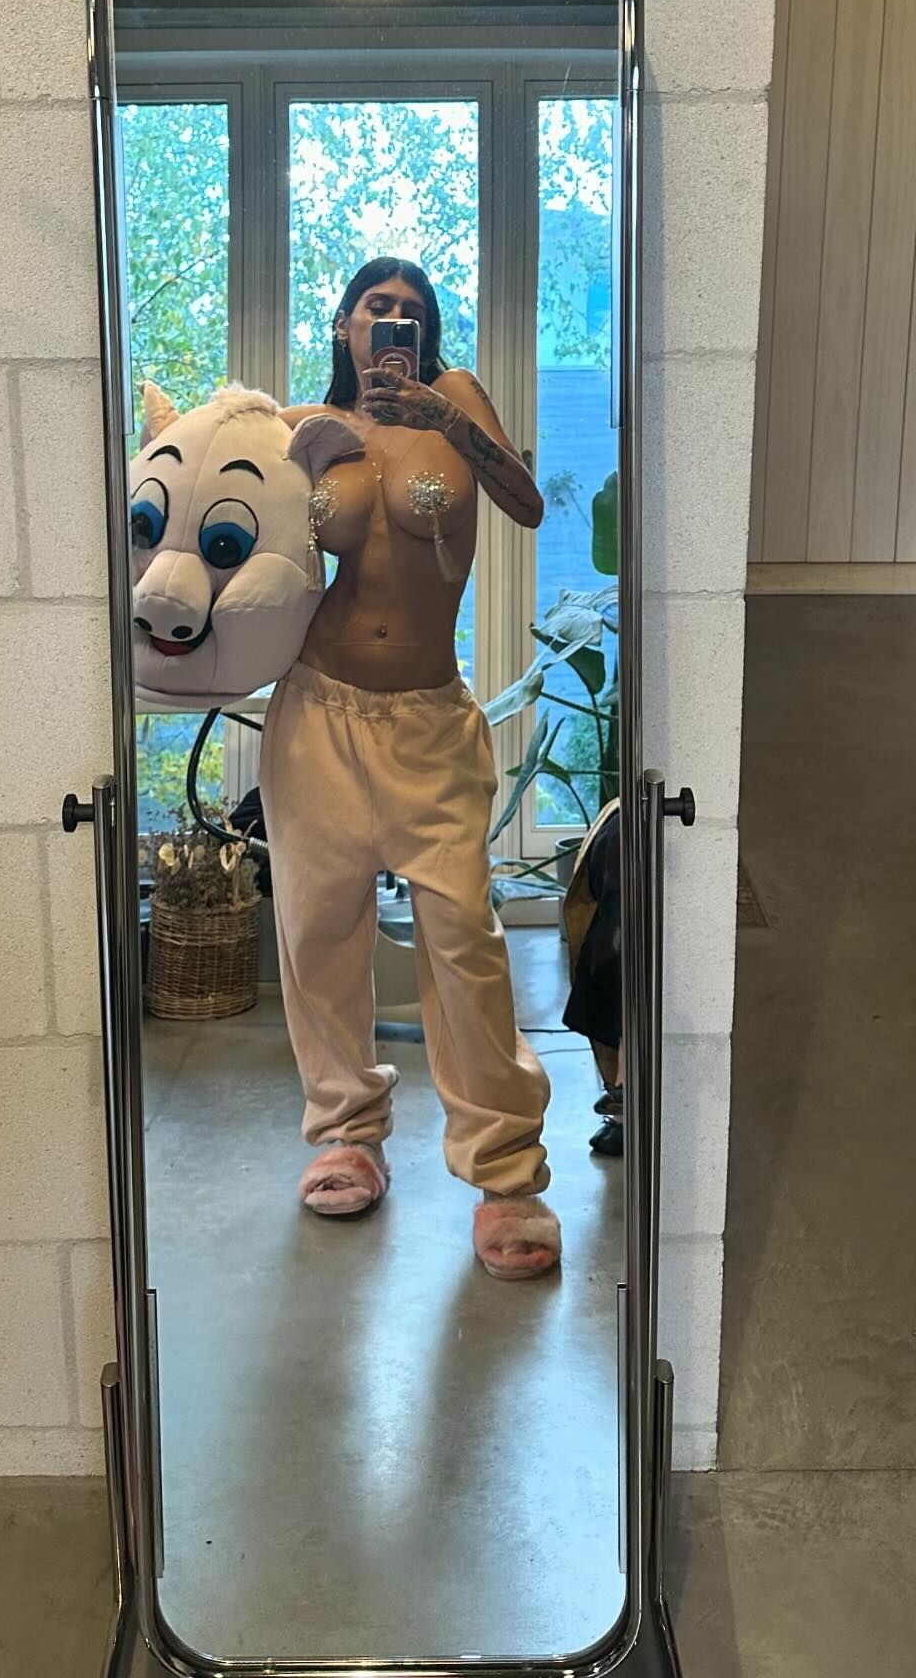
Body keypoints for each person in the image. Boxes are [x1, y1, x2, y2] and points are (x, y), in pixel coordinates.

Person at [261, 256, 560, 1279]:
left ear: (428, 333)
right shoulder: (306, 429)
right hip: (318, 714)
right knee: (317, 932)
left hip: (429, 720)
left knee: (464, 938)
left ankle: (505, 1171)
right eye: (376, 307)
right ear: (343, 325)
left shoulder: (454, 402)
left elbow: (526, 504)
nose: (394, 320)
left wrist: (443, 415)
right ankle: (347, 1132)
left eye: (412, 311)